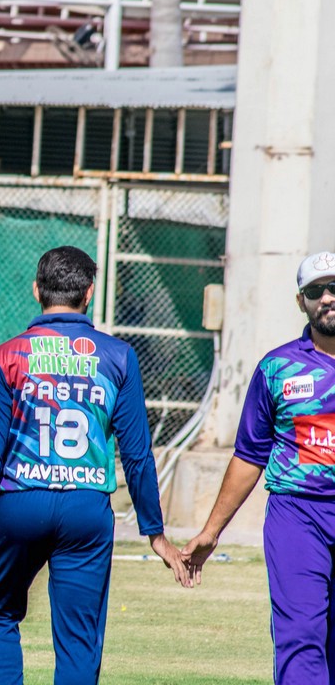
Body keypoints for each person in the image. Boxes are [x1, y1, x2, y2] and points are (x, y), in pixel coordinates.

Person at [0, 246, 189, 685]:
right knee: (79, 639)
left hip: (20, 503)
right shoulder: (118, 356)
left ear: (36, 290)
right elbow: (136, 453)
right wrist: (155, 533)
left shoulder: (7, 356)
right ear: (89, 293)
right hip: (86, 509)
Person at [183, 251, 335, 684]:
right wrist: (211, 530)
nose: (327, 297)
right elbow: (250, 455)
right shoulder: (277, 368)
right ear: (301, 302)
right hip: (299, 516)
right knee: (300, 635)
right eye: (315, 291)